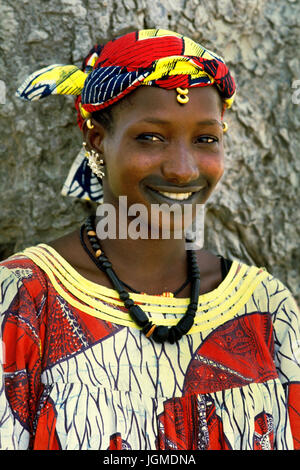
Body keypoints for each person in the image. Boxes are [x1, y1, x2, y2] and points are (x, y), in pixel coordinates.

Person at [0, 28, 299, 451]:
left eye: (205, 139)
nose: (182, 169)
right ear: (97, 142)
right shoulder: (23, 300)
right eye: (151, 137)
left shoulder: (267, 309)